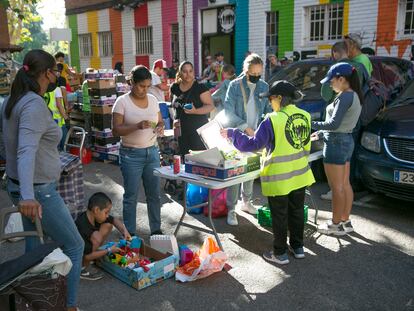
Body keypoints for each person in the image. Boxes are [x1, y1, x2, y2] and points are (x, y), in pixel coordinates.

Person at [0, 49, 84, 311]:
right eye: (56, 71)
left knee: (35, 247)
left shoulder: (14, 100)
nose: (57, 75)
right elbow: (25, 150)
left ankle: (36, 301)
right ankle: (67, 306)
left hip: (22, 185)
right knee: (74, 244)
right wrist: (27, 195)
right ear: (48, 73)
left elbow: (10, 146)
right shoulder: (33, 104)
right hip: (37, 191)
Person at [221, 80, 315, 264]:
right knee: (296, 212)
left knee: (279, 215)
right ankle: (298, 247)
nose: (270, 103)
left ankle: (279, 253)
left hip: (280, 177)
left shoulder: (272, 119)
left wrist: (233, 134)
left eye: (271, 99)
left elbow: (254, 144)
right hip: (300, 174)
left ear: (279, 98)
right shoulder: (305, 115)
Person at [311, 62, 363, 236]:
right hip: (345, 140)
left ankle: (335, 225)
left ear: (342, 79)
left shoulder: (345, 96)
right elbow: (338, 124)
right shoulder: (353, 95)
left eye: (331, 81)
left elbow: (333, 123)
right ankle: (345, 221)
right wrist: (319, 132)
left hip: (336, 142)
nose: (330, 84)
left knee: (336, 187)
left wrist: (308, 123)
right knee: (344, 184)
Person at [112, 65, 164, 236]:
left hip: (152, 152)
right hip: (130, 154)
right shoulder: (122, 102)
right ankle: (130, 234)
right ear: (132, 82)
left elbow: (160, 121)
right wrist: (136, 126)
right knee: (131, 196)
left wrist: (160, 127)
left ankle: (156, 229)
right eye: (141, 85)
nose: (145, 90)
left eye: (148, 86)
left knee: (154, 195)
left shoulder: (153, 100)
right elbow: (116, 130)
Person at [222, 53, 272, 226]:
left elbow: (267, 110)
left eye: (259, 74)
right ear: (245, 70)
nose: (256, 77)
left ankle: (247, 202)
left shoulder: (264, 86)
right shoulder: (234, 86)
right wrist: (245, 127)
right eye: (253, 74)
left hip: (256, 135)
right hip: (238, 134)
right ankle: (231, 209)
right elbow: (228, 111)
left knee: (250, 169)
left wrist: (262, 128)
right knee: (235, 173)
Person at [75, 192, 130, 280]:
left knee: (108, 224)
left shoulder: (93, 215)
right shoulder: (84, 227)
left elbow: (114, 220)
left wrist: (125, 231)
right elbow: (86, 256)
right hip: (79, 256)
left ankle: (95, 255)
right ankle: (82, 268)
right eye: (106, 212)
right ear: (96, 210)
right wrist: (109, 250)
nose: (107, 215)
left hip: (87, 248)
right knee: (96, 238)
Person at [170, 61, 215, 156]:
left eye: (190, 71)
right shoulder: (174, 87)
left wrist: (196, 111)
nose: (188, 74)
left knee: (198, 162)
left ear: (193, 72)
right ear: (180, 72)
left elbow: (210, 106)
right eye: (185, 71)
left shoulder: (200, 88)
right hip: (182, 133)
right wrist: (175, 119)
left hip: (198, 132)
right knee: (183, 162)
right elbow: (174, 106)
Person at [82, 68, 95, 148]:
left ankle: (92, 144)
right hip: (87, 109)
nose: (92, 76)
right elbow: (89, 95)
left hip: (93, 109)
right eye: (90, 75)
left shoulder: (92, 82)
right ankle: (87, 145)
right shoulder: (86, 83)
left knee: (93, 128)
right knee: (88, 128)